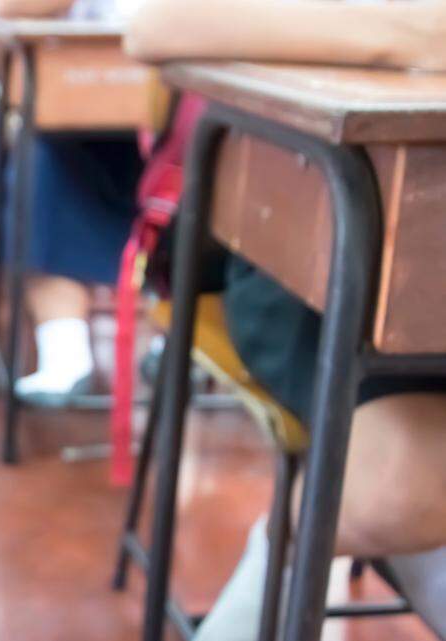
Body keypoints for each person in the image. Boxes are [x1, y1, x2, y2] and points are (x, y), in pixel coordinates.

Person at [125, 1, 446, 638]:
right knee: (405, 478)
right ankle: (296, 547)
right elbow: (157, 23)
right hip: (313, 252)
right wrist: (421, 30)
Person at [0, 0, 145, 407]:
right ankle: (64, 349)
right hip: (75, 93)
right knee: (40, 161)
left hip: (168, 91)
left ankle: (180, 342)